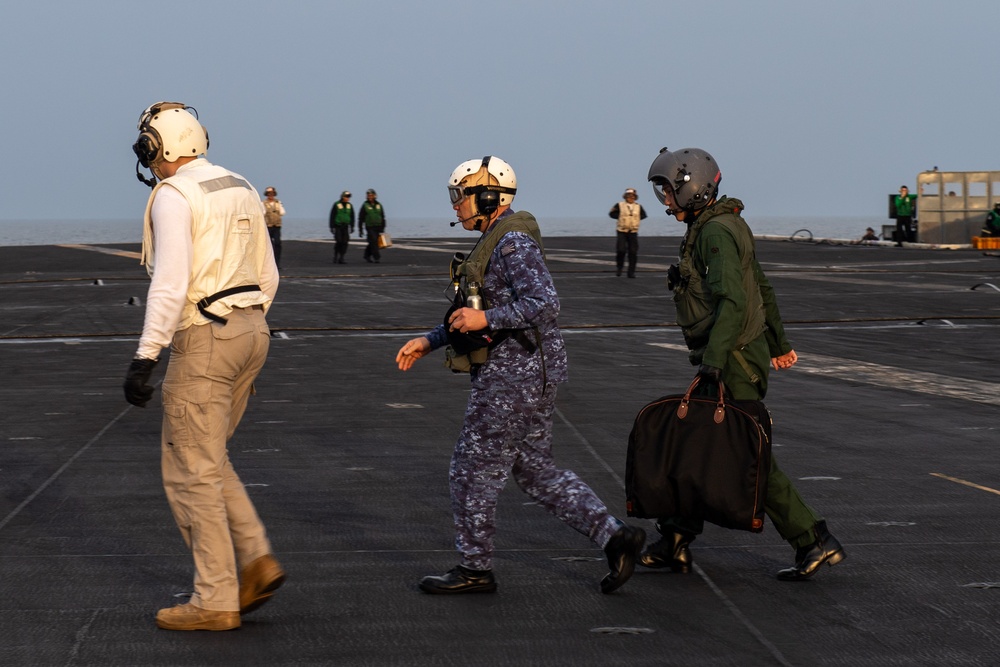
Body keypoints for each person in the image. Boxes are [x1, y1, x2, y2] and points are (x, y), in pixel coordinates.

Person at [394, 156, 645, 595]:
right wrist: (430, 340)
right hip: (529, 376)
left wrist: (487, 318)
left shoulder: (512, 244)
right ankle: (614, 536)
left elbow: (545, 303)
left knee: (470, 470)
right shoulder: (495, 239)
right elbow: (466, 317)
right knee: (534, 470)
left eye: (462, 195)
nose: (456, 205)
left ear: (489, 196)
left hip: (511, 379)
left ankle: (475, 568)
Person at [642, 146, 846, 581]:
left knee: (747, 454)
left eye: (668, 191)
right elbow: (763, 288)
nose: (664, 201)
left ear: (692, 187)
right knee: (700, 445)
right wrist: (778, 342)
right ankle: (676, 540)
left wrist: (715, 361)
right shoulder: (719, 225)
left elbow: (734, 300)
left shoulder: (715, 233)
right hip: (737, 352)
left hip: (731, 356)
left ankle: (813, 539)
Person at [125, 102, 286, 631]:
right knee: (209, 458)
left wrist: (146, 355)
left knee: (188, 472)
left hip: (205, 338)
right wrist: (249, 322)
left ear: (158, 147)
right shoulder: (238, 184)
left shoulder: (174, 195)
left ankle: (215, 599)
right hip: (253, 331)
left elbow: (169, 282)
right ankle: (257, 559)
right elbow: (269, 273)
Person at [608, 188, 647, 277]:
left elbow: (644, 215)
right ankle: (619, 267)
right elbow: (611, 214)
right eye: (629, 196)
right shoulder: (619, 205)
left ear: (635, 197)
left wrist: (635, 220)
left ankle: (631, 272)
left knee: (633, 252)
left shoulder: (638, 207)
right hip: (622, 231)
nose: (631, 197)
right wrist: (621, 217)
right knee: (621, 250)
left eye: (632, 196)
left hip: (633, 231)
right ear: (625, 197)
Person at [359, 188, 387, 263]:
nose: (370, 197)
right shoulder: (365, 205)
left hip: (378, 226)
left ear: (375, 196)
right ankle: (377, 257)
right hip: (370, 226)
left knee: (374, 242)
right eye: (368, 195)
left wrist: (383, 227)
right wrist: (360, 229)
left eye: (371, 195)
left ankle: (366, 255)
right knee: (373, 241)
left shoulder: (379, 205)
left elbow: (383, 216)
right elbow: (361, 218)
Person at [262, 187, 285, 269]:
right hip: (268, 226)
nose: (270, 195)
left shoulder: (278, 202)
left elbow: (282, 212)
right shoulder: (263, 203)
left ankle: (277, 263)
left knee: (277, 243)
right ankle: (270, 264)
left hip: (277, 226)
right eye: (269, 194)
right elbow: (263, 213)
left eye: (272, 194)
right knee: (269, 245)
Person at [329, 190, 354, 264]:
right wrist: (332, 227)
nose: (347, 198)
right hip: (338, 226)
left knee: (345, 242)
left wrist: (352, 226)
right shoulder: (336, 204)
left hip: (345, 226)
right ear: (342, 196)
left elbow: (352, 216)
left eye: (348, 197)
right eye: (346, 196)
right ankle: (336, 256)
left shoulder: (350, 205)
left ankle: (342, 257)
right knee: (339, 241)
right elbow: (332, 215)